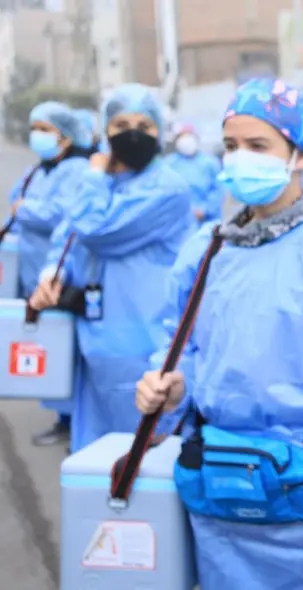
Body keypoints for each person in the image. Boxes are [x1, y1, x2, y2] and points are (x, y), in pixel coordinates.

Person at [134, 77, 303, 590]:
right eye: (232, 146)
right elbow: (184, 347)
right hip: (218, 485)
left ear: (300, 154)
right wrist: (171, 387)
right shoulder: (206, 249)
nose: (240, 159)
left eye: (258, 146)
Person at [29, 83, 193, 452]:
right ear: (105, 132)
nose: (132, 134)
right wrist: (52, 273)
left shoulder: (167, 188)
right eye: (120, 125)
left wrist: (95, 175)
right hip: (94, 337)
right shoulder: (104, 183)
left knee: (142, 462)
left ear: (160, 133)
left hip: (142, 339)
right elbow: (66, 235)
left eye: (144, 126)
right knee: (95, 457)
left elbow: (95, 228)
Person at [10, 101, 91, 447]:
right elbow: (15, 205)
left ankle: (73, 420)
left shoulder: (75, 170)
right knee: (51, 347)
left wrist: (26, 210)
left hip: (61, 271)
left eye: (46, 130)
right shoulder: (38, 170)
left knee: (68, 350)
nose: (38, 136)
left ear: (66, 136)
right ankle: (63, 417)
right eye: (35, 129)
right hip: (33, 271)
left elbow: (61, 213)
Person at [164, 124, 225, 227]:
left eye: (189, 135)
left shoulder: (210, 163)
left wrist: (205, 210)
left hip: (205, 221)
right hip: (175, 221)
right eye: (182, 136)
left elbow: (219, 190)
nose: (186, 140)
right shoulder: (169, 164)